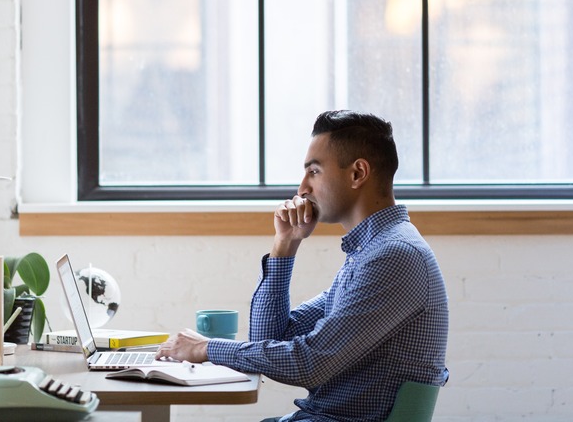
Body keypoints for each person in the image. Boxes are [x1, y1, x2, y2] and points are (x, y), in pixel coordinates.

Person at [157, 110, 449, 421]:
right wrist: (285, 245)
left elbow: (310, 364)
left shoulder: (393, 256)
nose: (302, 189)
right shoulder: (369, 253)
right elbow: (268, 340)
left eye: (314, 172)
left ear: (357, 173)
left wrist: (206, 348)